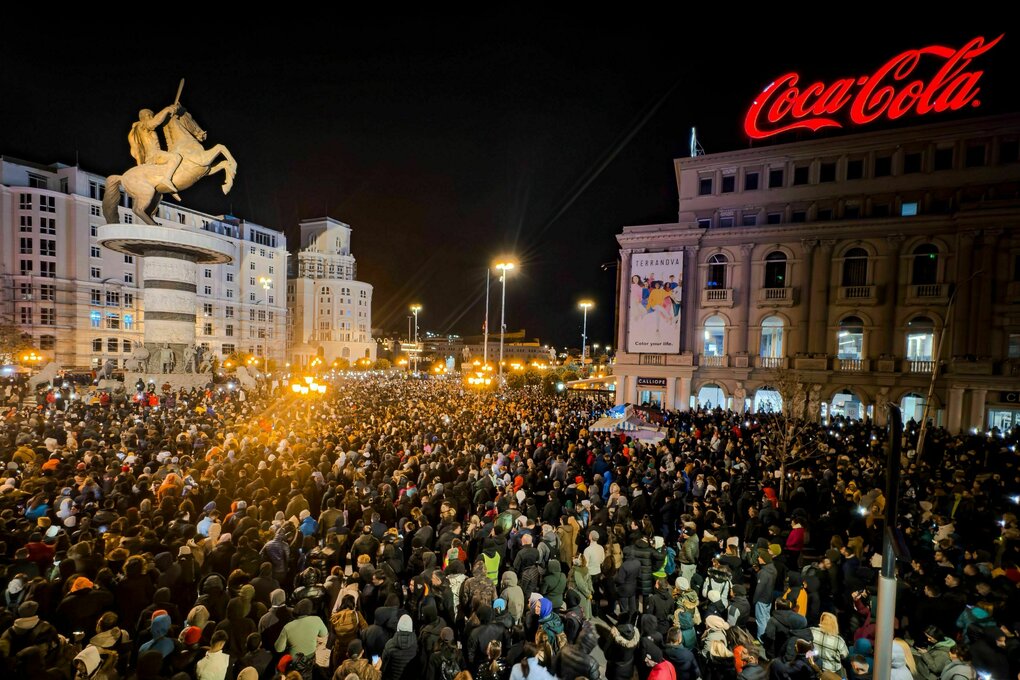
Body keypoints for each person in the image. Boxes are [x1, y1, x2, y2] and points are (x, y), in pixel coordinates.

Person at [128, 103, 183, 194]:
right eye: (152, 116)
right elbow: (155, 122)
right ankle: (167, 179)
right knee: (176, 157)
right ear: (147, 115)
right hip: (154, 155)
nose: (152, 118)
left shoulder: (140, 127)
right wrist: (167, 109)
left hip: (153, 155)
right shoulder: (143, 125)